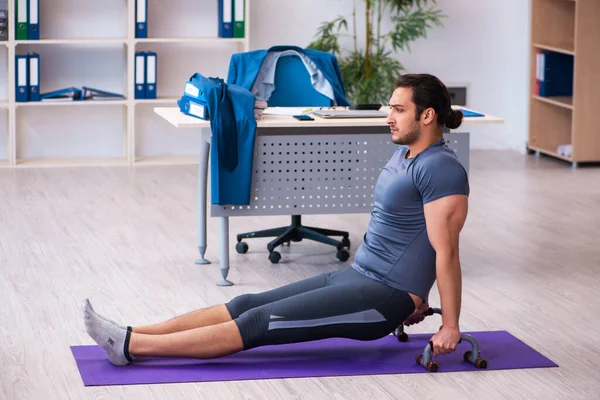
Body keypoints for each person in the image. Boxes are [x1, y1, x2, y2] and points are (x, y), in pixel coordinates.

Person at [82, 73, 469, 366]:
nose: (388, 116)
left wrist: (447, 322)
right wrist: (419, 295)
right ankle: (133, 331)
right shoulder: (406, 154)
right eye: (390, 107)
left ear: (428, 115)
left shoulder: (441, 170)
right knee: (246, 302)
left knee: (262, 322)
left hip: (383, 296)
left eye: (398, 109)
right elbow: (410, 234)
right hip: (361, 274)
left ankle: (131, 348)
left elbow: (446, 251)